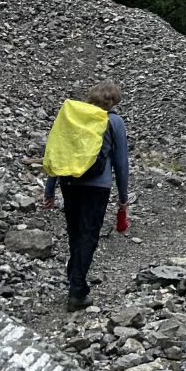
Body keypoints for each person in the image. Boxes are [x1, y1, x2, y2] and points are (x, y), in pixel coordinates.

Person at [43, 82, 129, 313]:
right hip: (97, 187)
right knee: (88, 235)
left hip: (69, 183)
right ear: (114, 101)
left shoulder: (74, 117)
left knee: (75, 231)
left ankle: (74, 272)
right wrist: (123, 197)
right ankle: (77, 292)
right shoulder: (114, 122)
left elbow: (57, 151)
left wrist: (49, 189)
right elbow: (121, 163)